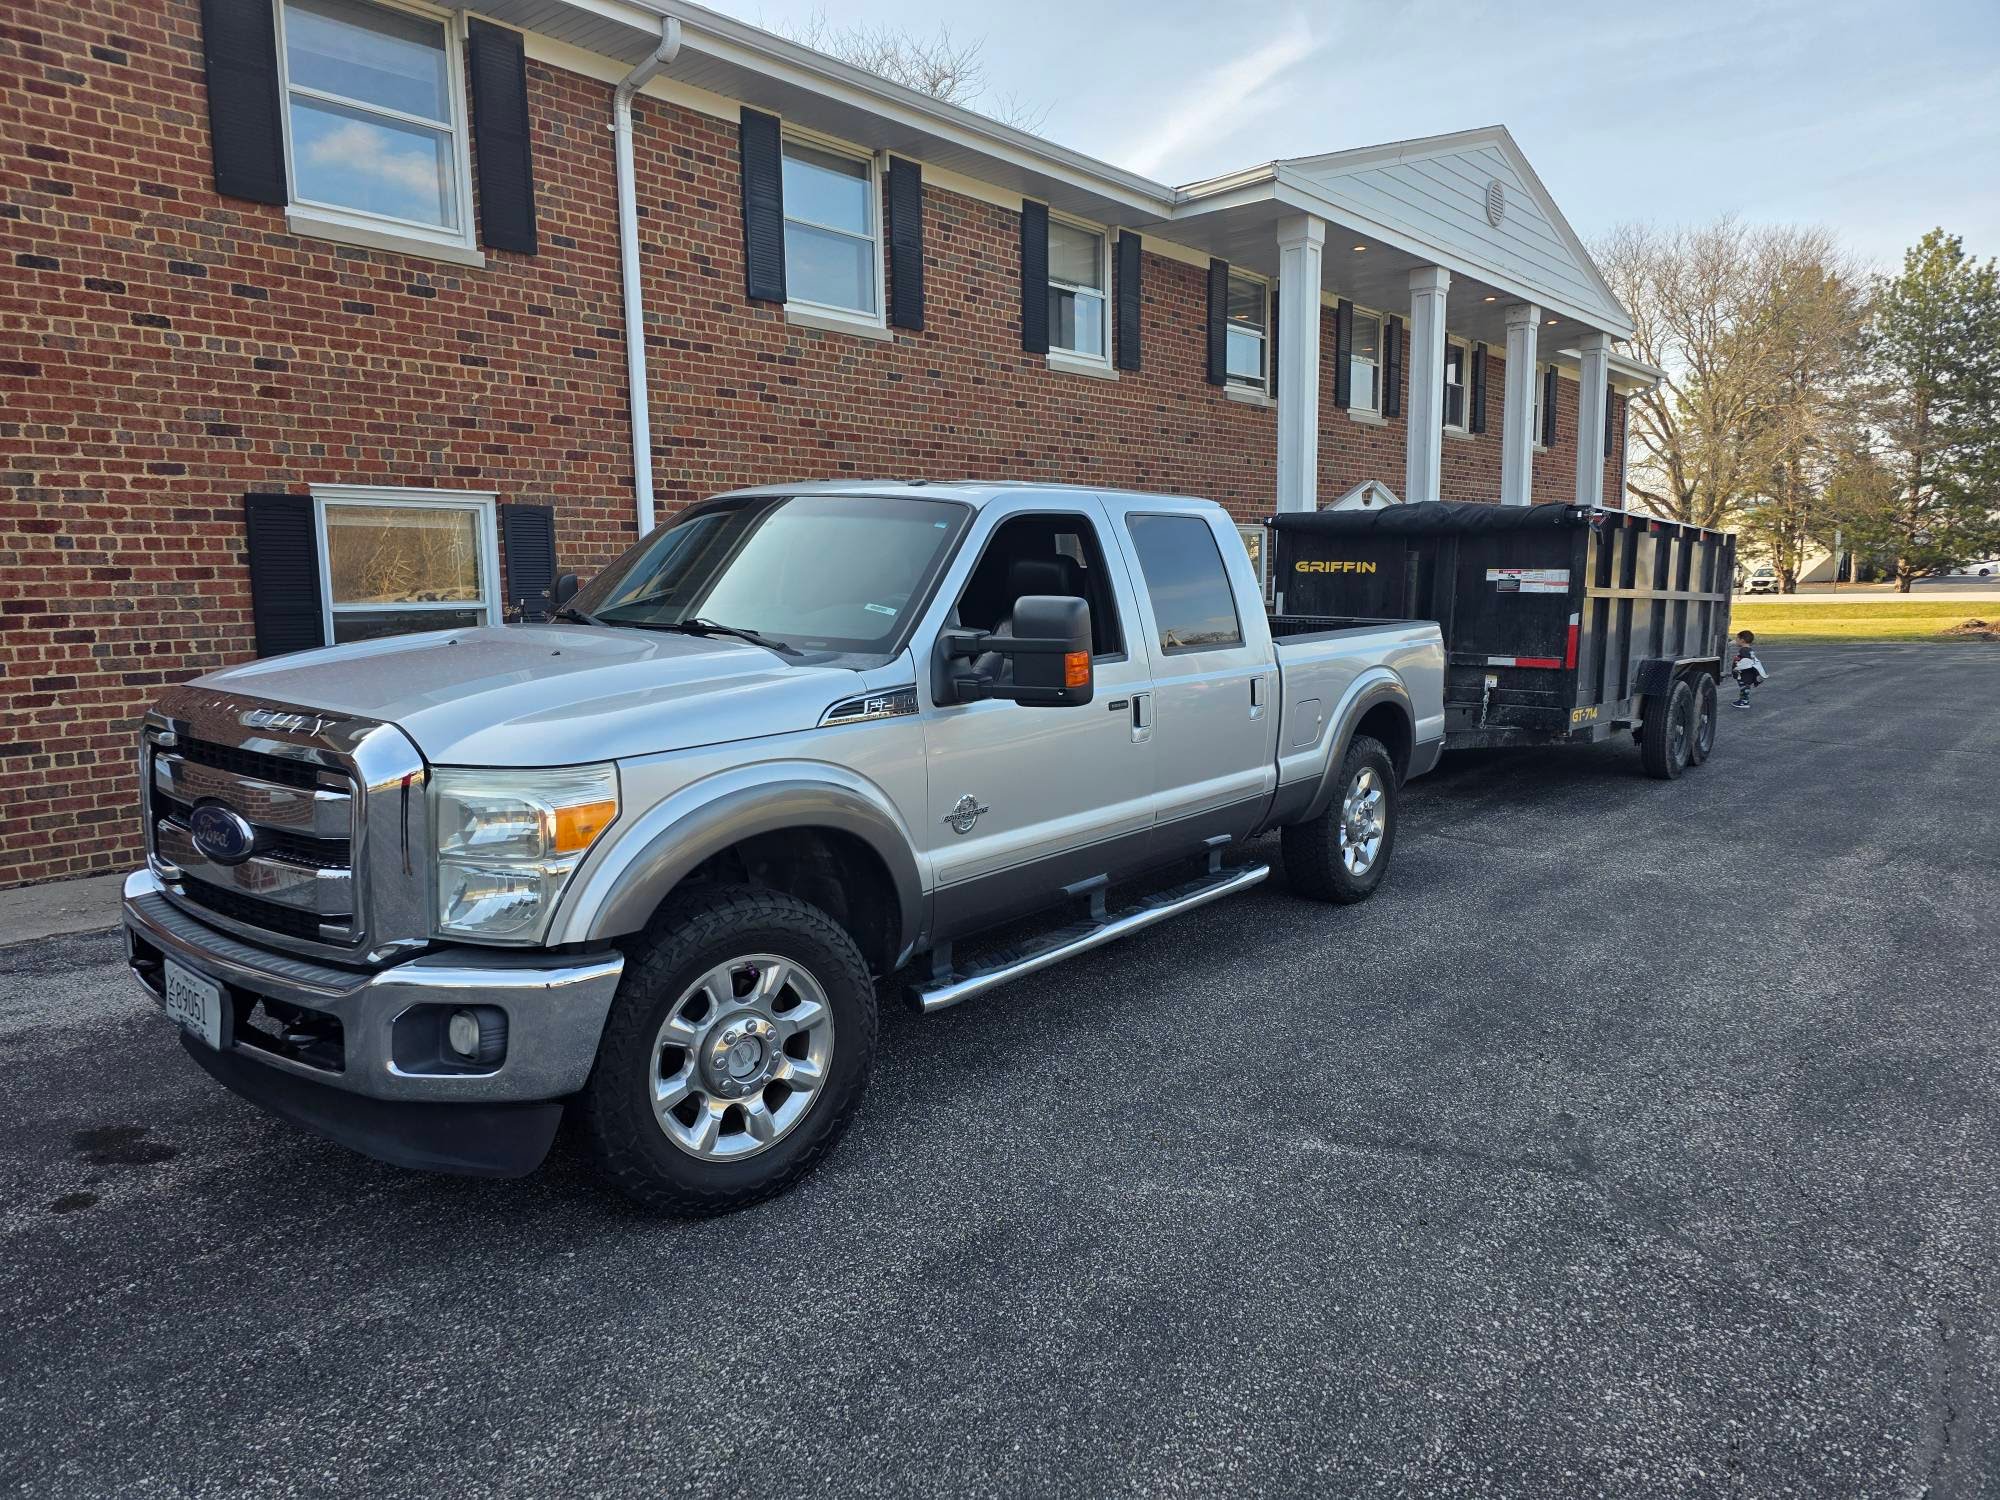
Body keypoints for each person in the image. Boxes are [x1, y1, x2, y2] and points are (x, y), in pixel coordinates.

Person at [1730, 629, 1767, 708]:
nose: (1736, 641)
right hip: (1748, 673)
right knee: (1744, 687)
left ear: (1742, 640)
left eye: (1737, 639)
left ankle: (1744, 702)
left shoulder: (1744, 650)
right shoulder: (1750, 650)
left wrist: (1737, 667)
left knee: (1744, 687)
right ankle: (1743, 700)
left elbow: (1747, 662)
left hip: (1745, 674)